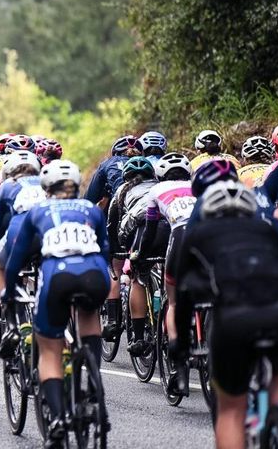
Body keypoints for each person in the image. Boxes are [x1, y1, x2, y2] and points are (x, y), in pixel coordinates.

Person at [174, 180, 278, 448]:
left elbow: (184, 293)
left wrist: (181, 345)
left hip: (236, 319)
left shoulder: (198, 234)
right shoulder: (267, 230)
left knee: (231, 407)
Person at [3, 159, 109, 448]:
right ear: (76, 186)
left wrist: (8, 290)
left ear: (45, 188)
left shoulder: (37, 210)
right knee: (89, 316)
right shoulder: (91, 209)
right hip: (95, 274)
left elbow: (15, 259)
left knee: (49, 348)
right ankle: (93, 379)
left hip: (57, 275)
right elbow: (106, 247)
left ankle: (59, 419)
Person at [133, 153, 195, 393]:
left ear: (160, 175)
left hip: (180, 236)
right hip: (210, 237)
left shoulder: (155, 191)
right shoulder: (199, 186)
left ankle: (179, 370)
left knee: (174, 302)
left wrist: (140, 255)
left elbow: (149, 231)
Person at [0, 150, 44, 312]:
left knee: (0, 261)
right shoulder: (48, 183)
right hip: (52, 236)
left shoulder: (6, 187)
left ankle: (10, 318)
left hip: (22, 237)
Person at [106, 156, 158, 354]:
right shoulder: (159, 186)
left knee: (137, 277)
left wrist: (114, 249)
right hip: (169, 231)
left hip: (141, 231)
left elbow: (112, 224)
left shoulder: (122, 190)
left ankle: (137, 338)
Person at [84, 135, 142, 208]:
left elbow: (90, 197)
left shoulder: (107, 163)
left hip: (122, 207)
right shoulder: (149, 163)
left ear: (116, 152)